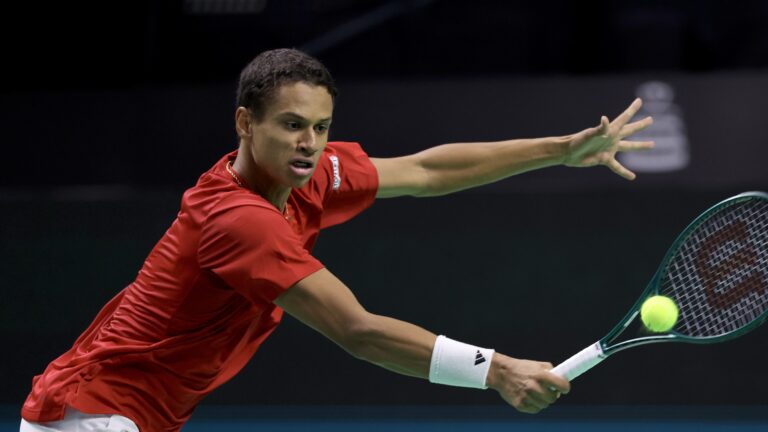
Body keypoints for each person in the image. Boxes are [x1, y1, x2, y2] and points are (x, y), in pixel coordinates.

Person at [21, 48, 654, 432]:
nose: (310, 143)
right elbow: (357, 329)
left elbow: (427, 170)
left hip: (126, 412)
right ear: (245, 123)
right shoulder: (238, 221)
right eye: (292, 125)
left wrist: (562, 150)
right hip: (93, 414)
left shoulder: (310, 174)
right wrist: (496, 372)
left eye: (321, 126)